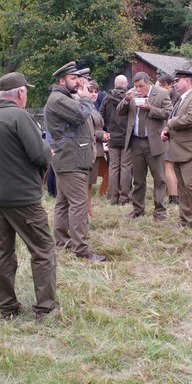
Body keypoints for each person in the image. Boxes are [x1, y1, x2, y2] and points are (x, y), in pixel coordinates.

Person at [0, 72, 58, 320]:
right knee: (43, 250)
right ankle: (45, 308)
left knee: (3, 251)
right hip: (23, 197)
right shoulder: (19, 117)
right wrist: (49, 151)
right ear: (21, 92)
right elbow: (40, 155)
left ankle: (7, 306)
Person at [45, 61, 106, 262]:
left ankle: (63, 243)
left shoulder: (63, 97)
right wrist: (87, 98)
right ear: (62, 80)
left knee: (63, 204)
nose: (78, 83)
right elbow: (81, 114)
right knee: (79, 204)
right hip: (71, 160)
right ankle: (81, 248)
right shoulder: (58, 99)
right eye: (73, 79)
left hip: (69, 158)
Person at [117, 72, 172, 221]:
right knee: (138, 178)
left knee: (159, 178)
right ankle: (138, 208)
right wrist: (126, 101)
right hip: (136, 141)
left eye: (141, 86)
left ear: (149, 83)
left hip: (153, 141)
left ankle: (160, 210)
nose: (138, 89)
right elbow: (119, 112)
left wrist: (150, 109)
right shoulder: (132, 94)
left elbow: (168, 113)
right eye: (136, 86)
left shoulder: (161, 94)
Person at [161, 69, 192, 229]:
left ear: (187, 81)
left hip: (189, 149)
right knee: (183, 188)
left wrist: (171, 123)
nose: (175, 85)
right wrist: (167, 131)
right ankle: (186, 220)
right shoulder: (180, 100)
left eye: (177, 81)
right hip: (178, 149)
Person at [99, 75, 132, 205]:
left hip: (112, 136)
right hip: (127, 137)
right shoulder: (130, 98)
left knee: (113, 167)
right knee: (125, 167)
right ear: (126, 84)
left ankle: (113, 197)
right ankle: (125, 197)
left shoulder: (107, 99)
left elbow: (100, 117)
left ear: (114, 83)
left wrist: (106, 129)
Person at [86, 78, 109, 215]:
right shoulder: (84, 108)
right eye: (90, 91)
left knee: (90, 182)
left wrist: (104, 134)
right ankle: (86, 209)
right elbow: (84, 132)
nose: (94, 94)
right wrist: (101, 135)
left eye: (96, 92)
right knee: (86, 183)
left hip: (97, 149)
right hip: (88, 149)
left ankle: (89, 209)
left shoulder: (94, 107)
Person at [157, 73, 179, 204]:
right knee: (174, 166)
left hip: (168, 134)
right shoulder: (179, 97)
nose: (159, 88)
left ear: (170, 85)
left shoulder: (169, 98)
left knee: (168, 166)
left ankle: (173, 196)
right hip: (174, 135)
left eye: (162, 85)